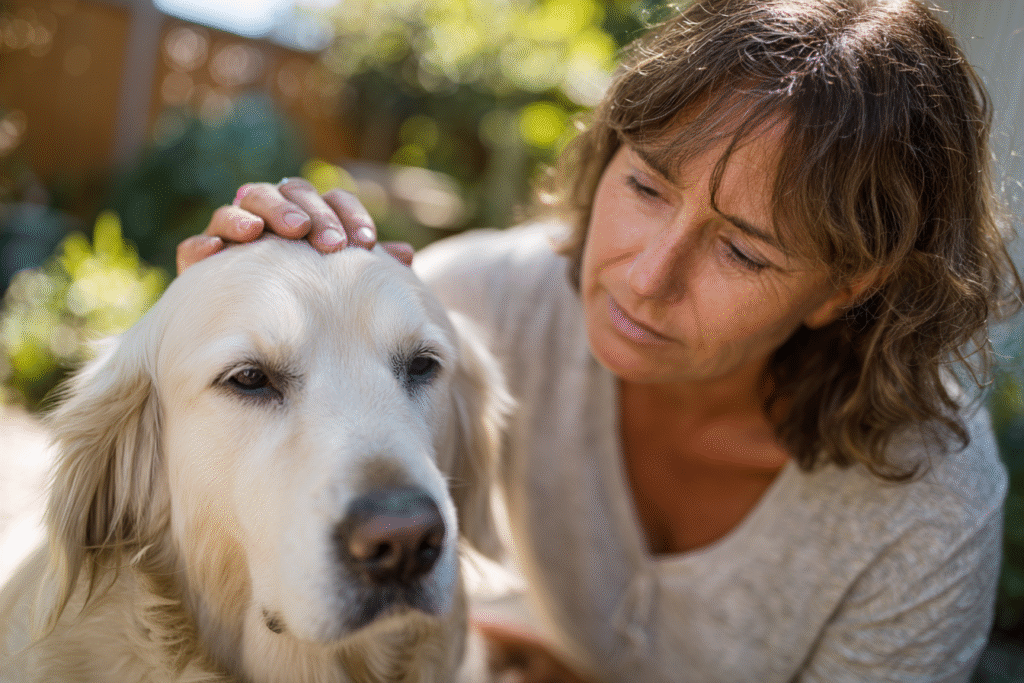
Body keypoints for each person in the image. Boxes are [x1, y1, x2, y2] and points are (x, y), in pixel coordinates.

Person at [178, 0, 1024, 680]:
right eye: (648, 186)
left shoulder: (928, 512)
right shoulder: (482, 303)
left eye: (742, 249)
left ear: (847, 287)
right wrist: (218, 304)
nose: (647, 275)